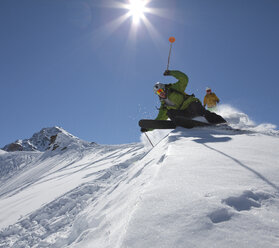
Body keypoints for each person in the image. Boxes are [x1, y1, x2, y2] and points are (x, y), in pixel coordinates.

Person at [141, 70, 226, 132]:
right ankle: (182, 124)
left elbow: (184, 79)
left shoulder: (175, 88)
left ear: (164, 88)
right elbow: (160, 118)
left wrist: (171, 73)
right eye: (158, 93)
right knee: (170, 113)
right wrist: (148, 127)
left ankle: (220, 122)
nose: (160, 94)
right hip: (185, 115)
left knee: (198, 109)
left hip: (191, 106)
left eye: (160, 91)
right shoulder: (164, 105)